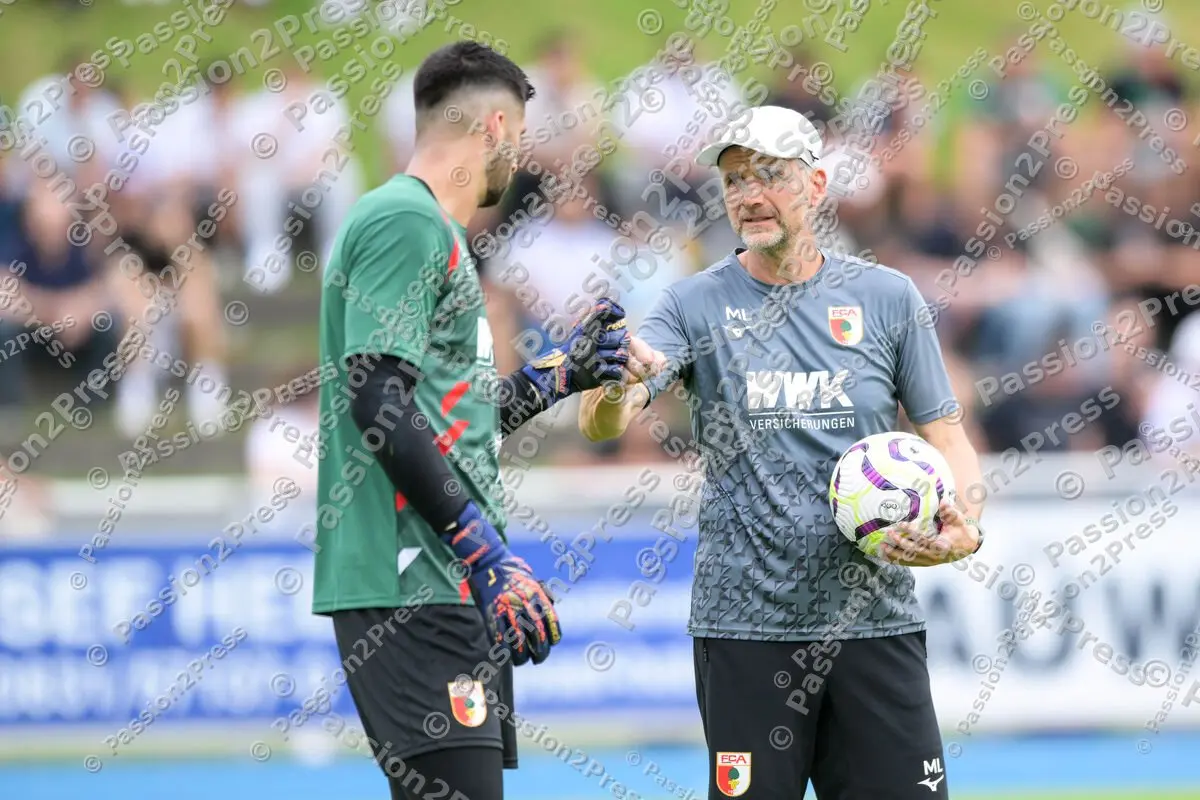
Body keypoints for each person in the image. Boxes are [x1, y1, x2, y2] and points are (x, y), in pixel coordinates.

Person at [578, 105, 988, 799]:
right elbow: (602, 424)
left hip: (873, 621)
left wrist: (967, 524)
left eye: (769, 174)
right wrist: (616, 382)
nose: (748, 195)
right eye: (735, 179)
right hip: (745, 629)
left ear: (817, 185)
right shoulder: (692, 306)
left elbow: (945, 434)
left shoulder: (887, 298)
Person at [310, 42, 643, 800]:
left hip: (440, 579)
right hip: (414, 579)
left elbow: (449, 416)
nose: (517, 159)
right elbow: (377, 400)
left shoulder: (431, 232)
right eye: (518, 138)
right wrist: (482, 549)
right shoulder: (407, 222)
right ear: (496, 126)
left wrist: (561, 375)